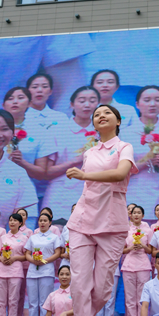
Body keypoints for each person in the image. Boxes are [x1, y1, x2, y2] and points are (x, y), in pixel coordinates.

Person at [64, 103, 138, 316]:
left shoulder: (124, 147)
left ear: (117, 121)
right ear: (93, 124)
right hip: (83, 221)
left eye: (107, 113)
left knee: (104, 289)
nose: (101, 116)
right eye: (96, 115)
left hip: (112, 221)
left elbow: (120, 174)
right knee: (80, 286)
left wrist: (85, 175)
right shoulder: (89, 151)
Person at [39, 86, 102, 221]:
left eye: (92, 100)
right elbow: (47, 172)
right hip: (61, 197)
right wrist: (77, 160)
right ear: (72, 104)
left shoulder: (105, 133)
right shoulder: (58, 131)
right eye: (81, 100)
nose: (87, 105)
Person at [121, 85, 159, 216]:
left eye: (158, 99)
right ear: (137, 104)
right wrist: (145, 163)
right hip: (136, 199)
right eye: (147, 100)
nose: (152, 104)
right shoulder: (125, 134)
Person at [24, 213, 62, 316]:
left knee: (44, 302)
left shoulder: (54, 237)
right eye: (41, 220)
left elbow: (57, 253)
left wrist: (45, 260)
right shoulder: (33, 237)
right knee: (33, 302)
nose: (42, 223)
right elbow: (27, 253)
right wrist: (32, 260)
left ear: (50, 222)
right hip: (32, 271)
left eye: (45, 221)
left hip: (47, 271)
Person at [0, 213, 29, 316]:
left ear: (20, 223)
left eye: (15, 221)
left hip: (15, 271)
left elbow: (26, 256)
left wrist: (14, 258)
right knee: (1, 302)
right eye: (10, 220)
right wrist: (1, 259)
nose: (12, 222)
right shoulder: (3, 237)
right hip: (1, 271)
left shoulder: (24, 238)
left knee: (13, 301)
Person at [122, 205, 153, 316]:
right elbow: (121, 250)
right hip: (128, 265)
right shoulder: (125, 230)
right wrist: (130, 248)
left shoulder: (148, 229)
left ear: (143, 215)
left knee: (142, 299)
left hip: (143, 265)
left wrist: (143, 246)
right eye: (134, 213)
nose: (136, 215)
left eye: (139, 213)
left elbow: (151, 250)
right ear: (130, 215)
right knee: (130, 300)